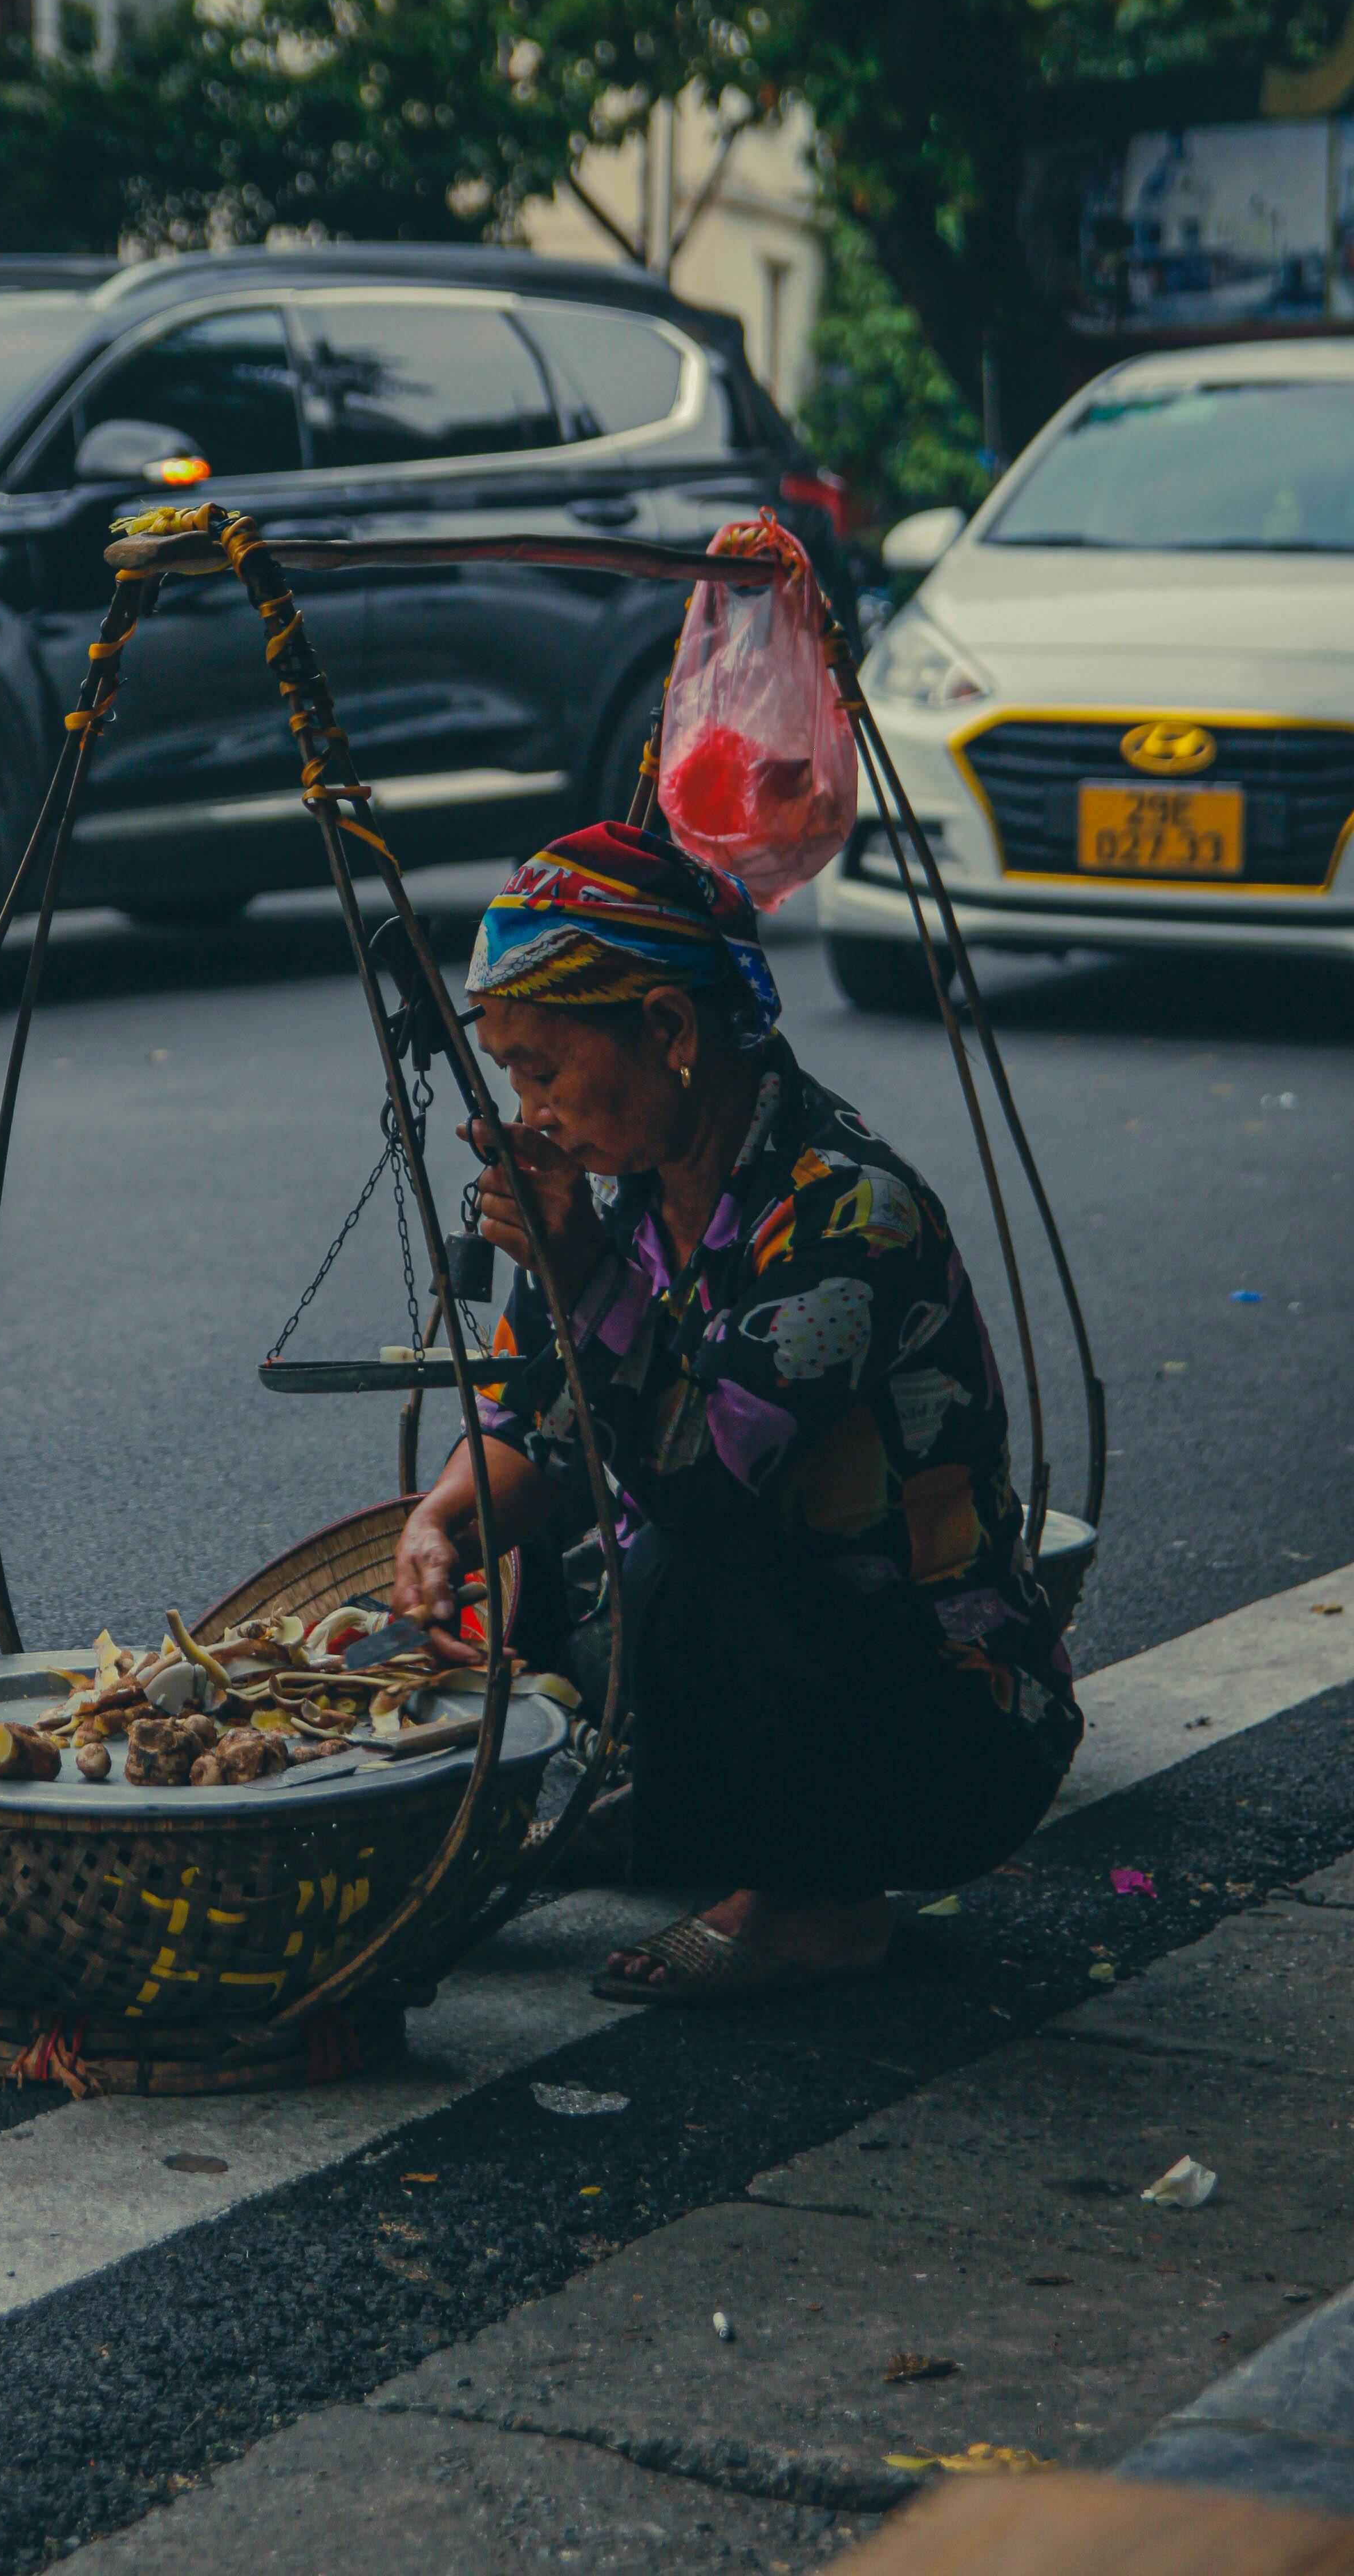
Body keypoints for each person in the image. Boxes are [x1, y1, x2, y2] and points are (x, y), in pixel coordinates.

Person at [391, 821, 1081, 2004]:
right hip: (784, 1646)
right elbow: (538, 1416)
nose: (533, 1110)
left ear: (667, 1030)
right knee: (533, 1561)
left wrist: (585, 1281)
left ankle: (813, 1905)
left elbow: (710, 1473)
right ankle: (676, 1804)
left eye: (545, 1068)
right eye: (511, 1074)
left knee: (683, 1562)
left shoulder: (849, 1215)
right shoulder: (633, 1199)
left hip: (941, 1721)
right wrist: (448, 1524)